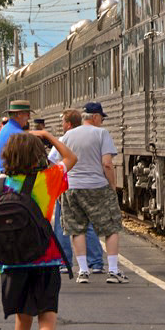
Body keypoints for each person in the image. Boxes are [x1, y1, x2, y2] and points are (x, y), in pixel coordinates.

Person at [0, 130, 76, 330]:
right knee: (47, 317)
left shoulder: (0, 184)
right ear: (38, 155)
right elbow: (71, 158)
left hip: (12, 262)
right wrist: (49, 137)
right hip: (45, 258)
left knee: (22, 321)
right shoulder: (49, 178)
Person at [59, 102, 128, 284]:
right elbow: (107, 163)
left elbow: (55, 161)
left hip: (72, 188)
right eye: (102, 118)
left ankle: (83, 271)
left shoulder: (68, 135)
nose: (102, 122)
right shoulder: (101, 134)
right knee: (111, 227)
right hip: (97, 187)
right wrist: (112, 186)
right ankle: (113, 271)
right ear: (96, 117)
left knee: (76, 228)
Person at [48, 109, 103, 273]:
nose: (62, 125)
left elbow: (52, 161)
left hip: (69, 186)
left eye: (63, 122)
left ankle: (65, 261)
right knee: (89, 224)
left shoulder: (65, 139)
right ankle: (96, 262)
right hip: (90, 186)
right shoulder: (94, 137)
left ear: (69, 123)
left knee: (64, 224)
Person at [0, 101, 31, 175]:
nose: (29, 117)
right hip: (8, 178)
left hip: (1, 176)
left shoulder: (6, 128)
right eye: (27, 114)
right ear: (19, 114)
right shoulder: (18, 133)